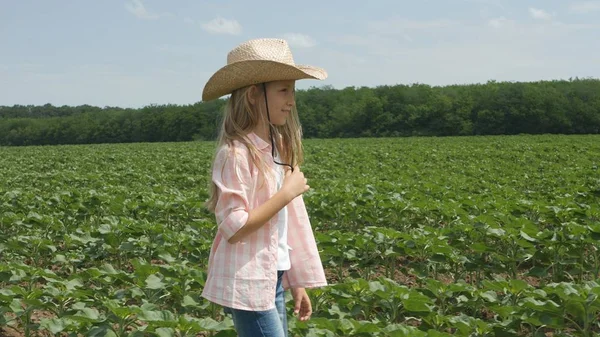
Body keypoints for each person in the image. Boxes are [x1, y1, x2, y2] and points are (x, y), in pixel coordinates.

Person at [200, 38, 329, 337]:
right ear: (253, 95)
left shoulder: (277, 149)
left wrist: (295, 281)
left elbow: (285, 229)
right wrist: (286, 193)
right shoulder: (235, 153)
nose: (291, 100)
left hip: (274, 276)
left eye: (293, 91)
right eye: (283, 90)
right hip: (248, 282)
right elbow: (234, 225)